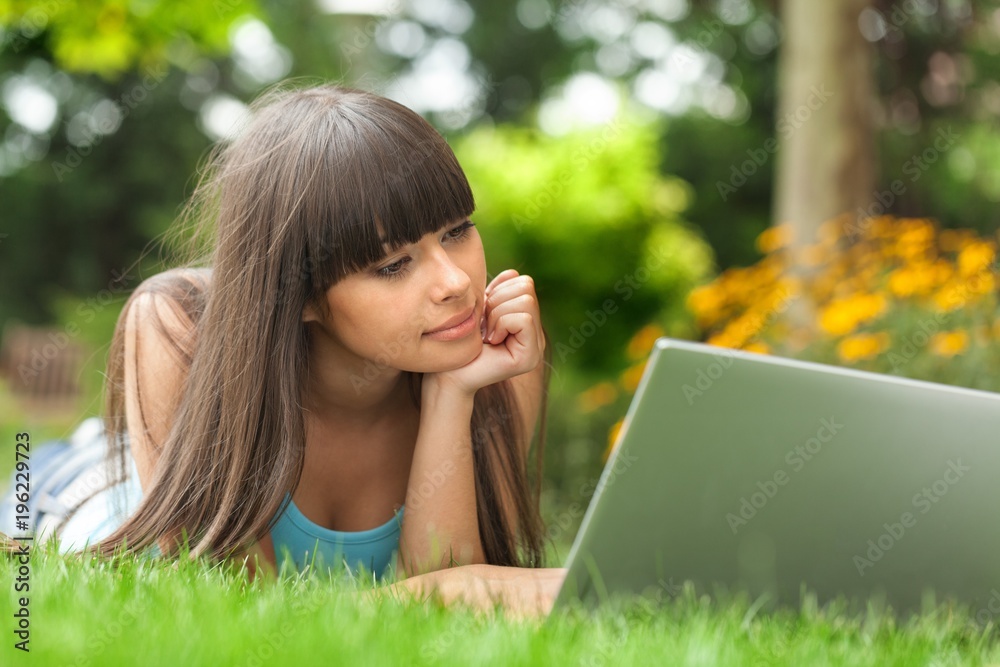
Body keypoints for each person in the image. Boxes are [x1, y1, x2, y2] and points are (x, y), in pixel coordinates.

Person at [1, 82, 566, 617]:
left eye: (457, 230)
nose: (456, 283)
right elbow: (240, 613)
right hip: (77, 489)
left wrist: (454, 391)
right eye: (392, 266)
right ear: (296, 294)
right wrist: (447, 592)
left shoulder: (500, 361)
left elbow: (455, 615)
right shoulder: (178, 325)